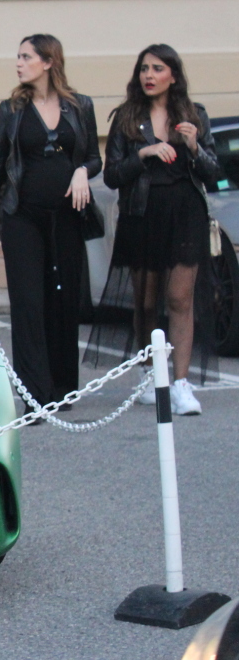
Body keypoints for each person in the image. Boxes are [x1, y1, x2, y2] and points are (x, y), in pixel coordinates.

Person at [87, 44, 224, 415]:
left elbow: (213, 174)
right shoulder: (128, 118)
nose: (149, 75)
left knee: (180, 299)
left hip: (184, 214)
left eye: (157, 68)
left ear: (173, 76)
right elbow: (113, 175)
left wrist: (194, 146)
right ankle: (151, 374)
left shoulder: (194, 115)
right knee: (146, 303)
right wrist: (143, 154)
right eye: (144, 68)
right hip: (142, 214)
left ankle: (181, 385)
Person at [0, 34, 101, 411]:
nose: (18, 63)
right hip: (23, 218)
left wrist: (81, 171)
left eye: (26, 57)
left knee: (62, 303)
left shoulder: (80, 106)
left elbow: (95, 158)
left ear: (48, 62)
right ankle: (35, 396)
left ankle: (63, 390)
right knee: (28, 304)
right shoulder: (12, 108)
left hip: (67, 218)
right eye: (18, 56)